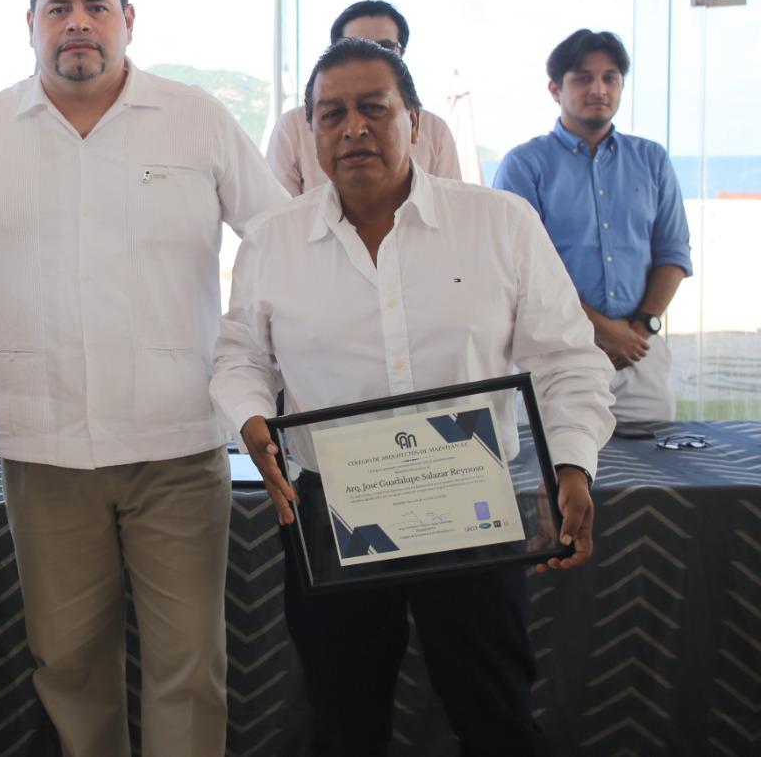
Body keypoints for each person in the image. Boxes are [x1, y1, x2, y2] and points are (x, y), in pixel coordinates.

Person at [0, 0, 287, 757]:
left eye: (95, 7)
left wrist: (251, 367)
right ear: (31, 25)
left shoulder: (195, 119)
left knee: (189, 665)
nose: (77, 23)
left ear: (128, 19)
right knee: (68, 664)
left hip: (177, 446)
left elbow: (283, 244)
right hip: (41, 451)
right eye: (59, 9)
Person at [214, 39, 615, 757]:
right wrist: (250, 420)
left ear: (417, 121)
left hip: (473, 510)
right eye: (331, 114)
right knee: (344, 719)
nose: (354, 128)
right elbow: (240, 355)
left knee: (495, 713)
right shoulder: (271, 241)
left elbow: (566, 361)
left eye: (375, 108)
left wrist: (574, 465)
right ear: (311, 132)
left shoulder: (500, 224)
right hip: (331, 515)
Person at [493, 29, 692, 425]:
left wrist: (641, 327)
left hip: (640, 355)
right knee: (552, 480)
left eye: (610, 77)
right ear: (555, 88)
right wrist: (601, 330)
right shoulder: (524, 165)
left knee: (653, 480)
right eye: (583, 77)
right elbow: (519, 271)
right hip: (555, 353)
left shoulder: (652, 160)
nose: (598, 88)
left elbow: (673, 253)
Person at [266, 0, 463, 195]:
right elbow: (279, 212)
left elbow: (450, 207)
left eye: (384, 48)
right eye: (354, 46)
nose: (368, 59)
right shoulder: (293, 127)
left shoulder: (435, 132)